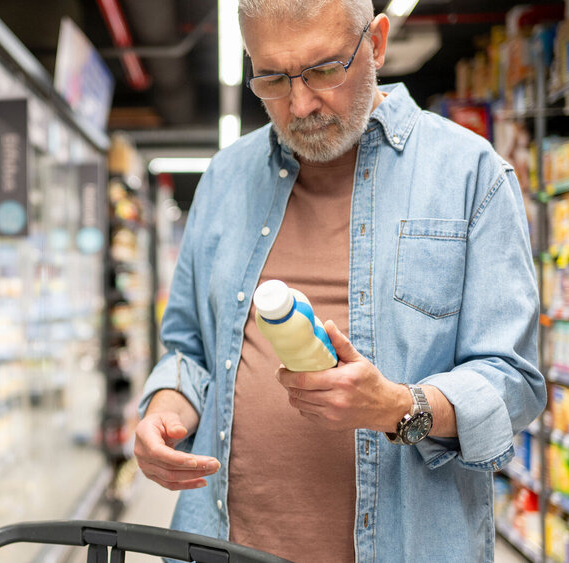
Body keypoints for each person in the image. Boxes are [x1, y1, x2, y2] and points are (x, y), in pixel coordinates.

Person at [134, 0, 546, 561]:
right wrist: (167, 405)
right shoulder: (224, 179)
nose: (300, 104)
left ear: (375, 44)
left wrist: (398, 406)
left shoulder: (470, 175)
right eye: (273, 79)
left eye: (324, 69)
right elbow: (188, 349)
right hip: (222, 541)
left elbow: (514, 381)